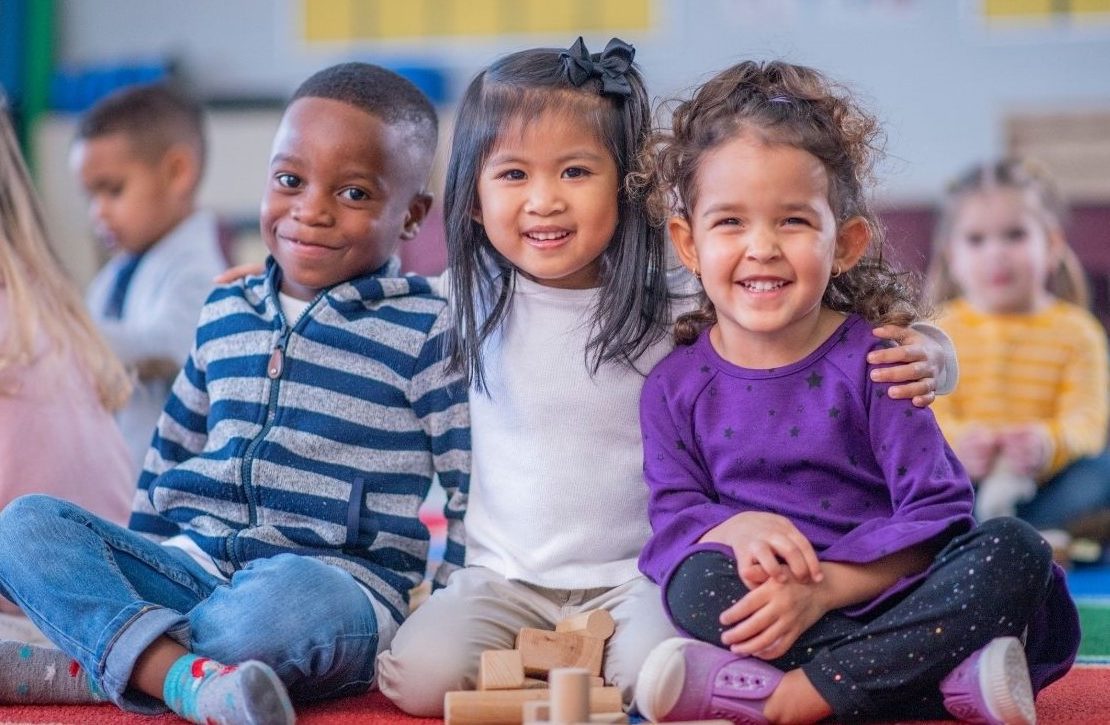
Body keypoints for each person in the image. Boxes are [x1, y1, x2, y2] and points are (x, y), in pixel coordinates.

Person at [374, 38, 957, 716]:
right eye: (512, 176)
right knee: (418, 681)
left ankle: (586, 671)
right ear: (472, 198)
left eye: (573, 172)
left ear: (628, 186)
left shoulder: (678, 289)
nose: (544, 201)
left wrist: (933, 352)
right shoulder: (466, 298)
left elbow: (821, 314)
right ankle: (547, 666)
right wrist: (279, 283)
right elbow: (365, 301)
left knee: (659, 682)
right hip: (502, 578)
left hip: (644, 573)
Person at [0, 62, 467, 725]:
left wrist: (446, 602)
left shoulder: (426, 325)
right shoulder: (226, 308)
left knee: (279, 608)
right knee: (23, 525)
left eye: (355, 193)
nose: (311, 210)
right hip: (194, 565)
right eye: (289, 181)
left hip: (331, 582)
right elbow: (170, 448)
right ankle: (178, 672)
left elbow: (467, 478)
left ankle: (90, 661)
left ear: (413, 214)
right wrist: (138, 559)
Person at [631, 61, 1079, 725]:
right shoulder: (672, 384)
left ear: (846, 244)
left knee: (1017, 550)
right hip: (783, 607)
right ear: (687, 243)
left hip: (901, 592)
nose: (762, 248)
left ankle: (795, 692)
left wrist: (828, 589)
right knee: (694, 584)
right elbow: (674, 518)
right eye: (729, 222)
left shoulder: (881, 362)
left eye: (792, 222)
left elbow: (941, 513)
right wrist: (733, 525)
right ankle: (937, 685)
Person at [927, 158, 1110, 535]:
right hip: (963, 481)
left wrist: (1046, 444)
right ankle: (999, 533)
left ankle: (1009, 532)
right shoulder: (938, 331)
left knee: (1101, 468)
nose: (997, 253)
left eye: (1015, 235)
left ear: (1053, 243)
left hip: (1048, 486)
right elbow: (926, 413)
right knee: (920, 469)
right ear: (951, 255)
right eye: (976, 240)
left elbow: (1088, 422)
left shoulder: (1078, 331)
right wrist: (957, 445)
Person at [73, 83, 227, 471]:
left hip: (163, 501)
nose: (98, 213)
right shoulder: (116, 274)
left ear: (178, 173)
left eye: (113, 190)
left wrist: (59, 328)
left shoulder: (199, 271)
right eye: (91, 197)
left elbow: (165, 348)